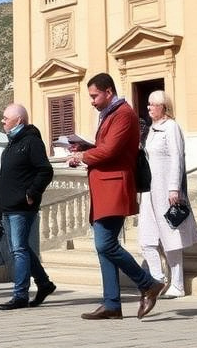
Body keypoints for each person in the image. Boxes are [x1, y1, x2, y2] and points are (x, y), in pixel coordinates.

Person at [67, 73, 164, 320]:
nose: (91, 101)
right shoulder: (110, 113)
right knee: (104, 248)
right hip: (104, 187)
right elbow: (107, 147)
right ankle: (111, 303)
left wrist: (83, 157)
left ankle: (148, 284)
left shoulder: (123, 114)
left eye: (94, 95)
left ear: (108, 91)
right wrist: (85, 148)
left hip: (114, 186)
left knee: (105, 244)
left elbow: (111, 150)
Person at [139, 90, 197, 299]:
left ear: (163, 107)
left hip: (166, 190)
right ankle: (157, 280)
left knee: (171, 238)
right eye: (148, 104)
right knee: (146, 238)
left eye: (152, 104)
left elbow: (177, 157)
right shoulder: (150, 130)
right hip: (149, 190)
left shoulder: (172, 127)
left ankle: (177, 284)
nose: (148, 108)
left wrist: (174, 187)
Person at [0, 103, 55, 311]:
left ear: (19, 120)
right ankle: (44, 284)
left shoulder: (31, 142)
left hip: (22, 206)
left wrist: (32, 192)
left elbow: (45, 171)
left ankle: (20, 294)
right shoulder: (11, 143)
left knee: (19, 249)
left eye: (6, 118)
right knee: (20, 248)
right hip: (7, 207)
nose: (2, 121)